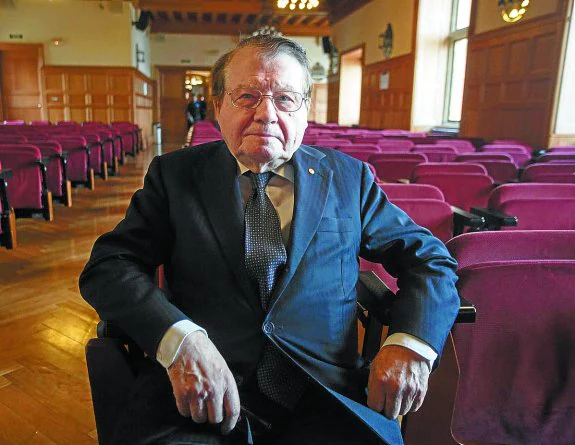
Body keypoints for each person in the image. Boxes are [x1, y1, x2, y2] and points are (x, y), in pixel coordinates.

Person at [80, 35, 459, 445]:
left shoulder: (350, 179)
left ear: (305, 111)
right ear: (219, 106)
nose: (266, 114)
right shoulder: (175, 176)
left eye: (285, 98)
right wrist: (179, 340)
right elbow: (109, 266)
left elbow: (429, 260)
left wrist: (411, 342)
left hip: (328, 394)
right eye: (247, 96)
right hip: (199, 391)